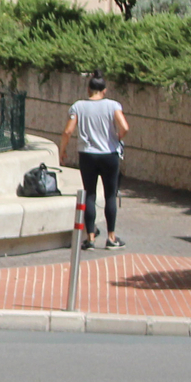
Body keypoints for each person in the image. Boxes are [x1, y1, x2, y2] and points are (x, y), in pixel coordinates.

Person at [60, 72, 131, 249]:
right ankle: (112, 238)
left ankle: (90, 238)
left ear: (88, 89)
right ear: (104, 90)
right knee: (110, 195)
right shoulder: (113, 105)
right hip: (109, 155)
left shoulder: (78, 106)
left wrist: (62, 150)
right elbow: (125, 127)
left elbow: (68, 131)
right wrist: (118, 137)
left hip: (87, 155)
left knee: (90, 194)